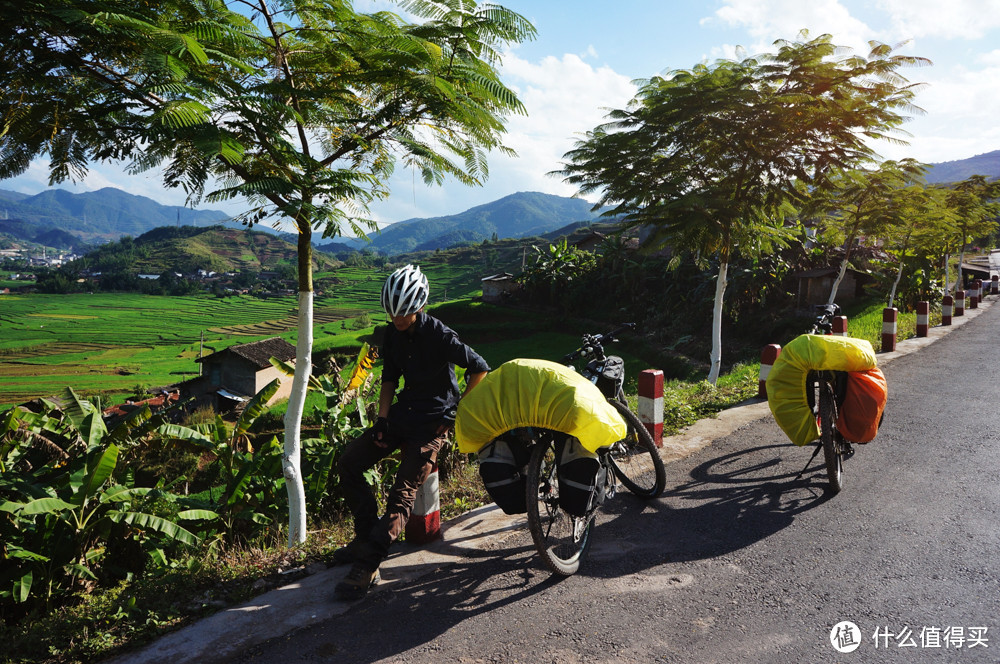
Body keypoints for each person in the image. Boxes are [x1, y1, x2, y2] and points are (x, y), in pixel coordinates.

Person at [333, 264, 490, 600]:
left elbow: (479, 367)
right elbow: (389, 378)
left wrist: (457, 410)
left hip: (432, 424)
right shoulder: (391, 334)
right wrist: (382, 420)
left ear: (419, 306)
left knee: (401, 495)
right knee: (349, 463)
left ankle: (369, 564)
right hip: (401, 416)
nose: (398, 320)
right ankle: (365, 537)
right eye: (393, 314)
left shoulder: (439, 335)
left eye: (404, 313)